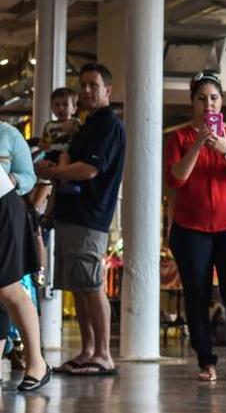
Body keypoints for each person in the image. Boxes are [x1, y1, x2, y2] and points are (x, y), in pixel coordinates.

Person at [165, 70, 226, 382]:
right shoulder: (179, 138)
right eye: (201, 99)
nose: (208, 104)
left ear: (222, 103)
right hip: (191, 228)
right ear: (192, 103)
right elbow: (177, 177)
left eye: (214, 98)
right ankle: (206, 362)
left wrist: (224, 149)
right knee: (197, 294)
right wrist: (199, 143)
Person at [35, 63, 126, 378]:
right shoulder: (85, 125)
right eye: (83, 84)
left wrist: (54, 172)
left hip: (91, 216)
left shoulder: (108, 125)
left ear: (107, 91)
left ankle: (103, 354)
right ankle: (88, 350)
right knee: (78, 285)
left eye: (93, 85)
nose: (87, 90)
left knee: (92, 285)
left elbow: (90, 169)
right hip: (70, 214)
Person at [0, 121, 51, 391]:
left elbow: (29, 177)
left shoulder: (7, 133)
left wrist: (15, 179)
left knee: (8, 289)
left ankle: (37, 363)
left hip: (4, 209)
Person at [30, 87, 80, 214]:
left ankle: (64, 181)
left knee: (64, 157)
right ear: (52, 108)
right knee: (39, 163)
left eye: (65, 105)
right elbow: (45, 142)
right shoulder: (49, 125)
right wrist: (42, 144)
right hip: (51, 153)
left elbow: (80, 137)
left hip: (66, 153)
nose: (60, 108)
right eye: (57, 105)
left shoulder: (75, 123)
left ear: (74, 108)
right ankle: (38, 204)